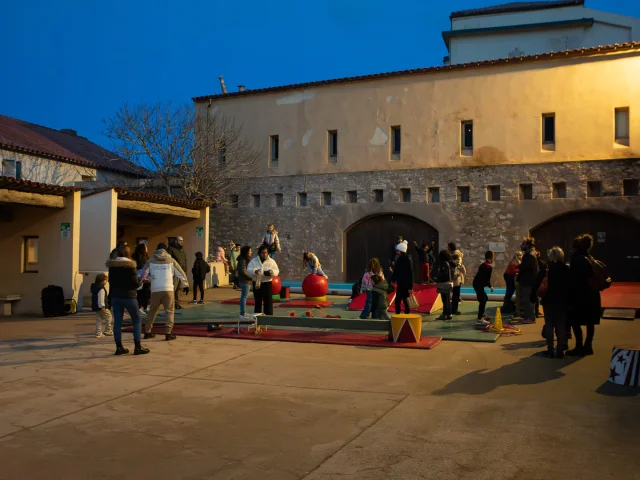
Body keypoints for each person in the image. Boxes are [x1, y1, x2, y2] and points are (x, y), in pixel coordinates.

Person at [141, 243, 189, 341]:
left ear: (156, 249)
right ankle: (168, 333)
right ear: (165, 250)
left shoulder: (150, 260)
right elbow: (180, 272)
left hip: (155, 290)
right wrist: (186, 284)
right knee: (169, 312)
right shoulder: (171, 260)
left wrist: (139, 284)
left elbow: (143, 273)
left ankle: (147, 331)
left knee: (152, 311)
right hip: (168, 289)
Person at [106, 244, 149, 355]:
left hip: (116, 296)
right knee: (136, 319)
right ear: (128, 253)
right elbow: (135, 283)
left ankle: (119, 347)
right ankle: (137, 346)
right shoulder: (131, 266)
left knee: (117, 322)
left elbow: (111, 282)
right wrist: (141, 280)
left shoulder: (112, 266)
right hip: (130, 296)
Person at [567, 234, 602, 357]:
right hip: (592, 293)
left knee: (575, 321)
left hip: (580, 294)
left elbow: (573, 279)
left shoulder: (576, 258)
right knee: (590, 322)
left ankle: (579, 346)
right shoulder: (590, 258)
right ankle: (588, 346)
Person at [540, 246, 570, 359]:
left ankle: (550, 349)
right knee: (560, 324)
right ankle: (560, 349)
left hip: (549, 299)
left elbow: (539, 282)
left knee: (549, 325)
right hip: (562, 300)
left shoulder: (547, 267)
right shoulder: (566, 269)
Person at [248, 245, 280, 315]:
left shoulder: (271, 261)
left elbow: (277, 271)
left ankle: (268, 316)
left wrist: (271, 272)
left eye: (266, 253)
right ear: (259, 253)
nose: (264, 254)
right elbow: (248, 270)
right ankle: (257, 316)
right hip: (257, 283)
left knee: (268, 301)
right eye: (263, 253)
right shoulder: (254, 261)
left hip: (267, 283)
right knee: (258, 301)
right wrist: (255, 271)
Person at [517, 237, 539, 324]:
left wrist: (518, 265)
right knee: (527, 300)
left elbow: (525, 267)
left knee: (528, 300)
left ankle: (530, 317)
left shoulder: (530, 255)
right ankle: (527, 316)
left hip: (528, 281)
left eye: (523, 244)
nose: (521, 245)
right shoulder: (530, 253)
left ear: (528, 245)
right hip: (528, 281)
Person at [473, 251, 495, 328]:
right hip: (478, 285)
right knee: (483, 300)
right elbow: (487, 279)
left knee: (485, 298)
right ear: (492, 258)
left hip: (476, 284)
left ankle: (482, 314)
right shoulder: (488, 267)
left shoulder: (483, 265)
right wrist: (490, 286)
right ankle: (479, 318)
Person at [391, 240, 413, 314]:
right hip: (401, 283)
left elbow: (410, 274)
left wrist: (410, 287)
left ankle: (404, 313)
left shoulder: (407, 260)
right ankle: (400, 313)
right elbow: (396, 271)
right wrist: (393, 279)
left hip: (405, 284)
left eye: (397, 251)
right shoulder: (399, 259)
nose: (396, 252)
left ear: (401, 251)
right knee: (401, 299)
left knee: (404, 299)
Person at [168, 236, 188, 309]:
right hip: (174, 272)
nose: (182, 242)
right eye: (180, 241)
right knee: (174, 288)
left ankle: (176, 303)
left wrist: (185, 271)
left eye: (182, 240)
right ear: (176, 241)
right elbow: (168, 260)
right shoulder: (171, 249)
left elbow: (185, 261)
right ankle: (171, 304)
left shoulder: (182, 250)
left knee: (179, 288)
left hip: (181, 272)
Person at [91, 272, 113, 338]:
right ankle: (108, 330)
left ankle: (98, 333)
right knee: (109, 317)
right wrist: (102, 306)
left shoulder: (94, 287)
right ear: (102, 281)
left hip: (96, 307)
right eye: (106, 280)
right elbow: (101, 298)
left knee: (98, 320)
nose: (106, 281)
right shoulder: (101, 289)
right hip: (102, 307)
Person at [435, 250, 454, 320]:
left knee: (445, 300)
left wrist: (437, 279)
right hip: (448, 282)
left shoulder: (443, 264)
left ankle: (445, 314)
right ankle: (449, 313)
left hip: (444, 283)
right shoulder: (448, 263)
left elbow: (443, 274)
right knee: (448, 299)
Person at [132, 243, 150, 316]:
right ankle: (141, 307)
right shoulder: (142, 257)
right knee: (143, 293)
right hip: (143, 276)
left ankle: (143, 307)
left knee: (143, 293)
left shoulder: (139, 256)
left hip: (142, 276)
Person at [236, 246, 253, 318]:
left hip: (244, 280)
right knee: (244, 296)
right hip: (245, 281)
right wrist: (250, 277)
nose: (251, 252)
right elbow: (243, 271)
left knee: (244, 296)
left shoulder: (244, 259)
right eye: (250, 251)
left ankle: (243, 312)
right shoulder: (243, 260)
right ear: (246, 252)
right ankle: (242, 312)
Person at [531, 250, 546, 318]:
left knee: (535, 295)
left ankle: (535, 311)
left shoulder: (534, 262)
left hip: (536, 280)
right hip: (540, 281)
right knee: (538, 296)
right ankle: (537, 311)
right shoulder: (543, 263)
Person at [451, 251, 466, 315]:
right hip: (455, 283)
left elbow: (464, 272)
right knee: (455, 297)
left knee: (457, 297)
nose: (458, 260)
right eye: (457, 259)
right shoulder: (453, 266)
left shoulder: (459, 266)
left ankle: (455, 309)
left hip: (458, 283)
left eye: (459, 259)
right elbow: (453, 275)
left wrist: (461, 265)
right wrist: (457, 275)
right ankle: (453, 310)